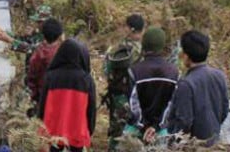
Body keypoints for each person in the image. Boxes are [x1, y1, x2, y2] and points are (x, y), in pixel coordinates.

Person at [163, 30, 229, 145]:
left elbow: (184, 121)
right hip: (214, 143)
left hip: (194, 146)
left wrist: (173, 141)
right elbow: (224, 110)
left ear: (186, 56)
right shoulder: (219, 76)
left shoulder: (186, 84)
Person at [38, 38, 97, 152]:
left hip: (52, 131)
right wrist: (90, 129)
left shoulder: (50, 76)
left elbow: (42, 105)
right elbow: (91, 108)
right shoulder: (86, 79)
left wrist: (40, 125)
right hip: (77, 132)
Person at [125, 27, 178, 144]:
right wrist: (156, 127)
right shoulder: (174, 72)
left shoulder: (135, 70)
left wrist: (143, 126)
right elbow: (172, 104)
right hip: (160, 131)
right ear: (162, 46)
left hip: (136, 129)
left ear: (144, 45)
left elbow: (133, 104)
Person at [104, 14, 145, 149]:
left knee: (117, 132)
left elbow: (106, 71)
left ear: (128, 28)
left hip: (119, 96)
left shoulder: (116, 50)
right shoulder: (145, 51)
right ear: (142, 29)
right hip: (139, 99)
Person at [27, 18, 64, 108]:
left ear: (43, 35)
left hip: (43, 95)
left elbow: (32, 78)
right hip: (61, 95)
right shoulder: (64, 52)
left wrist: (34, 96)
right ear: (60, 35)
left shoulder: (38, 54)